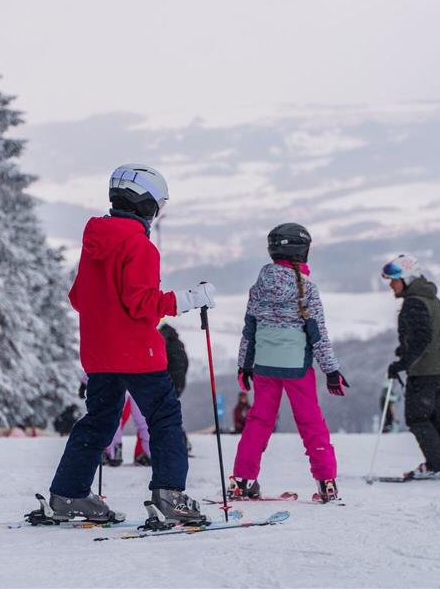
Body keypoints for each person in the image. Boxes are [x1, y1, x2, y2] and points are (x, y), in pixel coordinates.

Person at [47, 164, 214, 525]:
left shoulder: (94, 243)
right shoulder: (140, 246)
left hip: (98, 353)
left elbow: (78, 298)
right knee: (164, 418)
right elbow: (142, 304)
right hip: (138, 352)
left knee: (99, 421)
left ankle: (68, 494)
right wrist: (187, 299)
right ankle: (170, 497)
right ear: (148, 205)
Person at [230, 223, 346, 503]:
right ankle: (326, 482)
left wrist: (244, 366)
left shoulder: (257, 288)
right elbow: (318, 335)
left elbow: (250, 330)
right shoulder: (307, 289)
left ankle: (243, 481)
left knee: (258, 421)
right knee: (311, 422)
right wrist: (331, 371)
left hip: (264, 367)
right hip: (297, 368)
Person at [383, 254, 440, 480]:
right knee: (438, 416)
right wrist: (403, 352)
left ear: (407, 278)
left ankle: (438, 465)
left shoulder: (414, 302)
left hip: (424, 372)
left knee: (418, 418)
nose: (390, 284)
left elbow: (421, 339)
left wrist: (402, 363)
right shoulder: (430, 297)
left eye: (394, 279)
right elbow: (425, 335)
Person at [159, 322, 192, 456]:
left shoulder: (164, 343)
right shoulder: (179, 344)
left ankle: (179, 443)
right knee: (170, 413)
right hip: (179, 383)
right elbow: (185, 364)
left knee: (165, 415)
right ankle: (182, 443)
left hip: (168, 383)